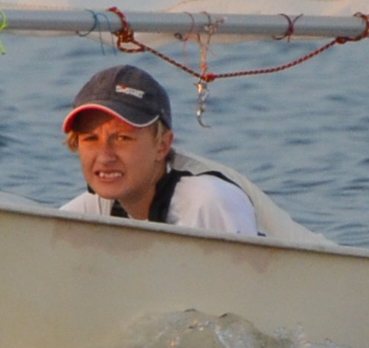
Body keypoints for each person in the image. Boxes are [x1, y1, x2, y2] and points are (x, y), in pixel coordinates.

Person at [57, 65, 262, 238]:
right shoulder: (79, 217)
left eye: (122, 138)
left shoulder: (209, 202)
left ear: (163, 145)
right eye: (90, 139)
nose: (105, 156)